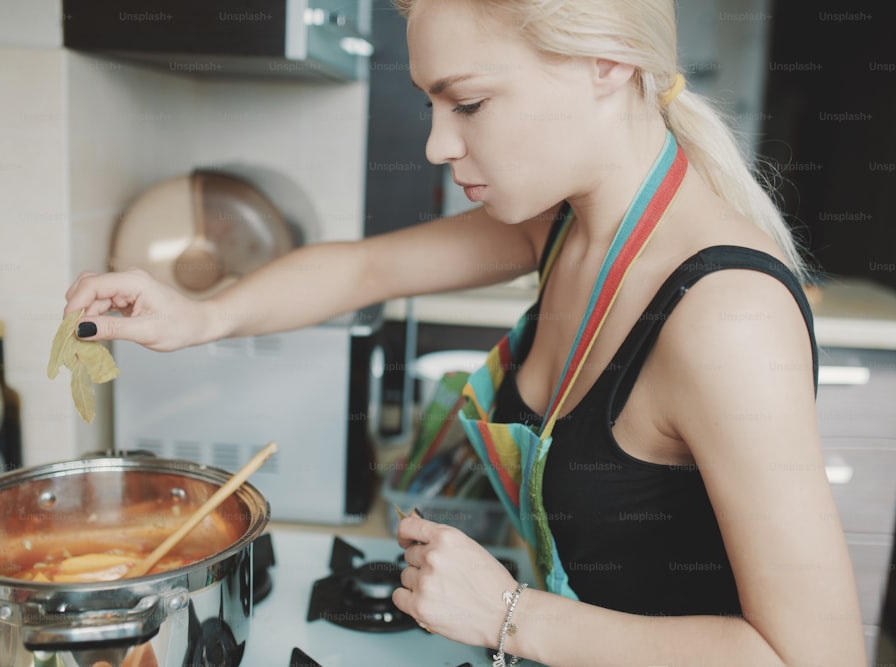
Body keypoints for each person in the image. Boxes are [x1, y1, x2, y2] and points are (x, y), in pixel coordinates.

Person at [63, 0, 865, 664]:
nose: (438, 144)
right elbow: (363, 270)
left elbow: (815, 656)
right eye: (431, 105)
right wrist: (197, 314)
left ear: (608, 62)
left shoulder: (725, 313)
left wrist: (510, 614)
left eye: (470, 103)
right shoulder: (565, 226)